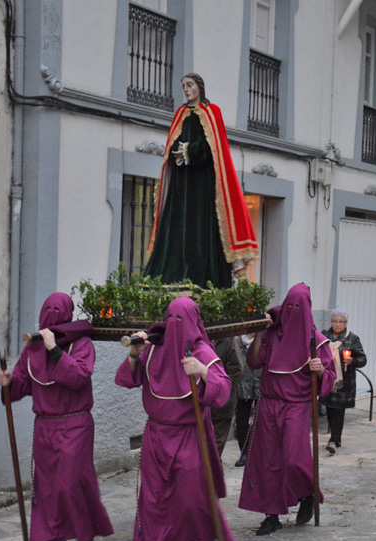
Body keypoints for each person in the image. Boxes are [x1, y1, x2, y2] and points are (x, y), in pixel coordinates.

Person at [116, 297, 236, 541]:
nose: (174, 325)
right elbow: (127, 379)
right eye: (170, 318)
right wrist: (134, 354)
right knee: (153, 501)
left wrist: (203, 371)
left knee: (194, 497)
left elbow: (223, 389)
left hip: (189, 435)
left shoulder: (202, 351)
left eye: (180, 319)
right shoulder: (153, 350)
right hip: (156, 436)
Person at [0, 293, 114, 541]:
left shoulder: (81, 343)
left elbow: (78, 377)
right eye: (46, 308)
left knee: (71, 484)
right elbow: (22, 385)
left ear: (67, 314)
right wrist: (8, 383)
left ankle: (85, 538)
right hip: (45, 426)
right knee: (48, 490)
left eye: (56, 310)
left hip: (75, 423)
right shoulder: (31, 349)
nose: (50, 313)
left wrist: (55, 351)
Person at [143, 74, 259, 288]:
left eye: (190, 85)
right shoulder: (180, 114)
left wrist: (191, 151)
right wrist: (177, 151)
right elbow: (173, 142)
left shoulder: (212, 112)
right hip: (182, 182)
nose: (186, 90)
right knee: (177, 225)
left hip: (203, 184)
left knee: (202, 228)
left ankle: (204, 279)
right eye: (184, 86)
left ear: (200, 88)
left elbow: (213, 148)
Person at [239, 283, 336, 536]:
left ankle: (307, 493)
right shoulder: (273, 334)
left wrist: (321, 370)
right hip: (269, 403)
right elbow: (254, 361)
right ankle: (271, 515)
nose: (292, 311)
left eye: (298, 307)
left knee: (294, 459)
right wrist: (261, 331)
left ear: (307, 310)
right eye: (289, 305)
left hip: (298, 406)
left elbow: (329, 381)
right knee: (267, 462)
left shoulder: (317, 340)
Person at [321, 309, 367, 454]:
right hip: (327, 378)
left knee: (339, 411)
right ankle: (336, 438)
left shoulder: (352, 339)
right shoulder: (324, 336)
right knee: (329, 409)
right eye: (335, 321)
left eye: (341, 321)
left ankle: (333, 440)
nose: (337, 324)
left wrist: (351, 360)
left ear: (346, 323)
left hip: (344, 381)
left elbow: (363, 359)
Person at [211, 337, 244, 457]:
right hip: (201, 403)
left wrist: (218, 387)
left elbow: (237, 370)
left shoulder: (228, 339)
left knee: (214, 449)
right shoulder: (196, 335)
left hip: (221, 404)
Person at [233, 334, 261, 467]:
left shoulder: (263, 338)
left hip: (260, 382)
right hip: (242, 383)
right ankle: (244, 452)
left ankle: (260, 453)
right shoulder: (237, 341)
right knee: (241, 420)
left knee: (262, 420)